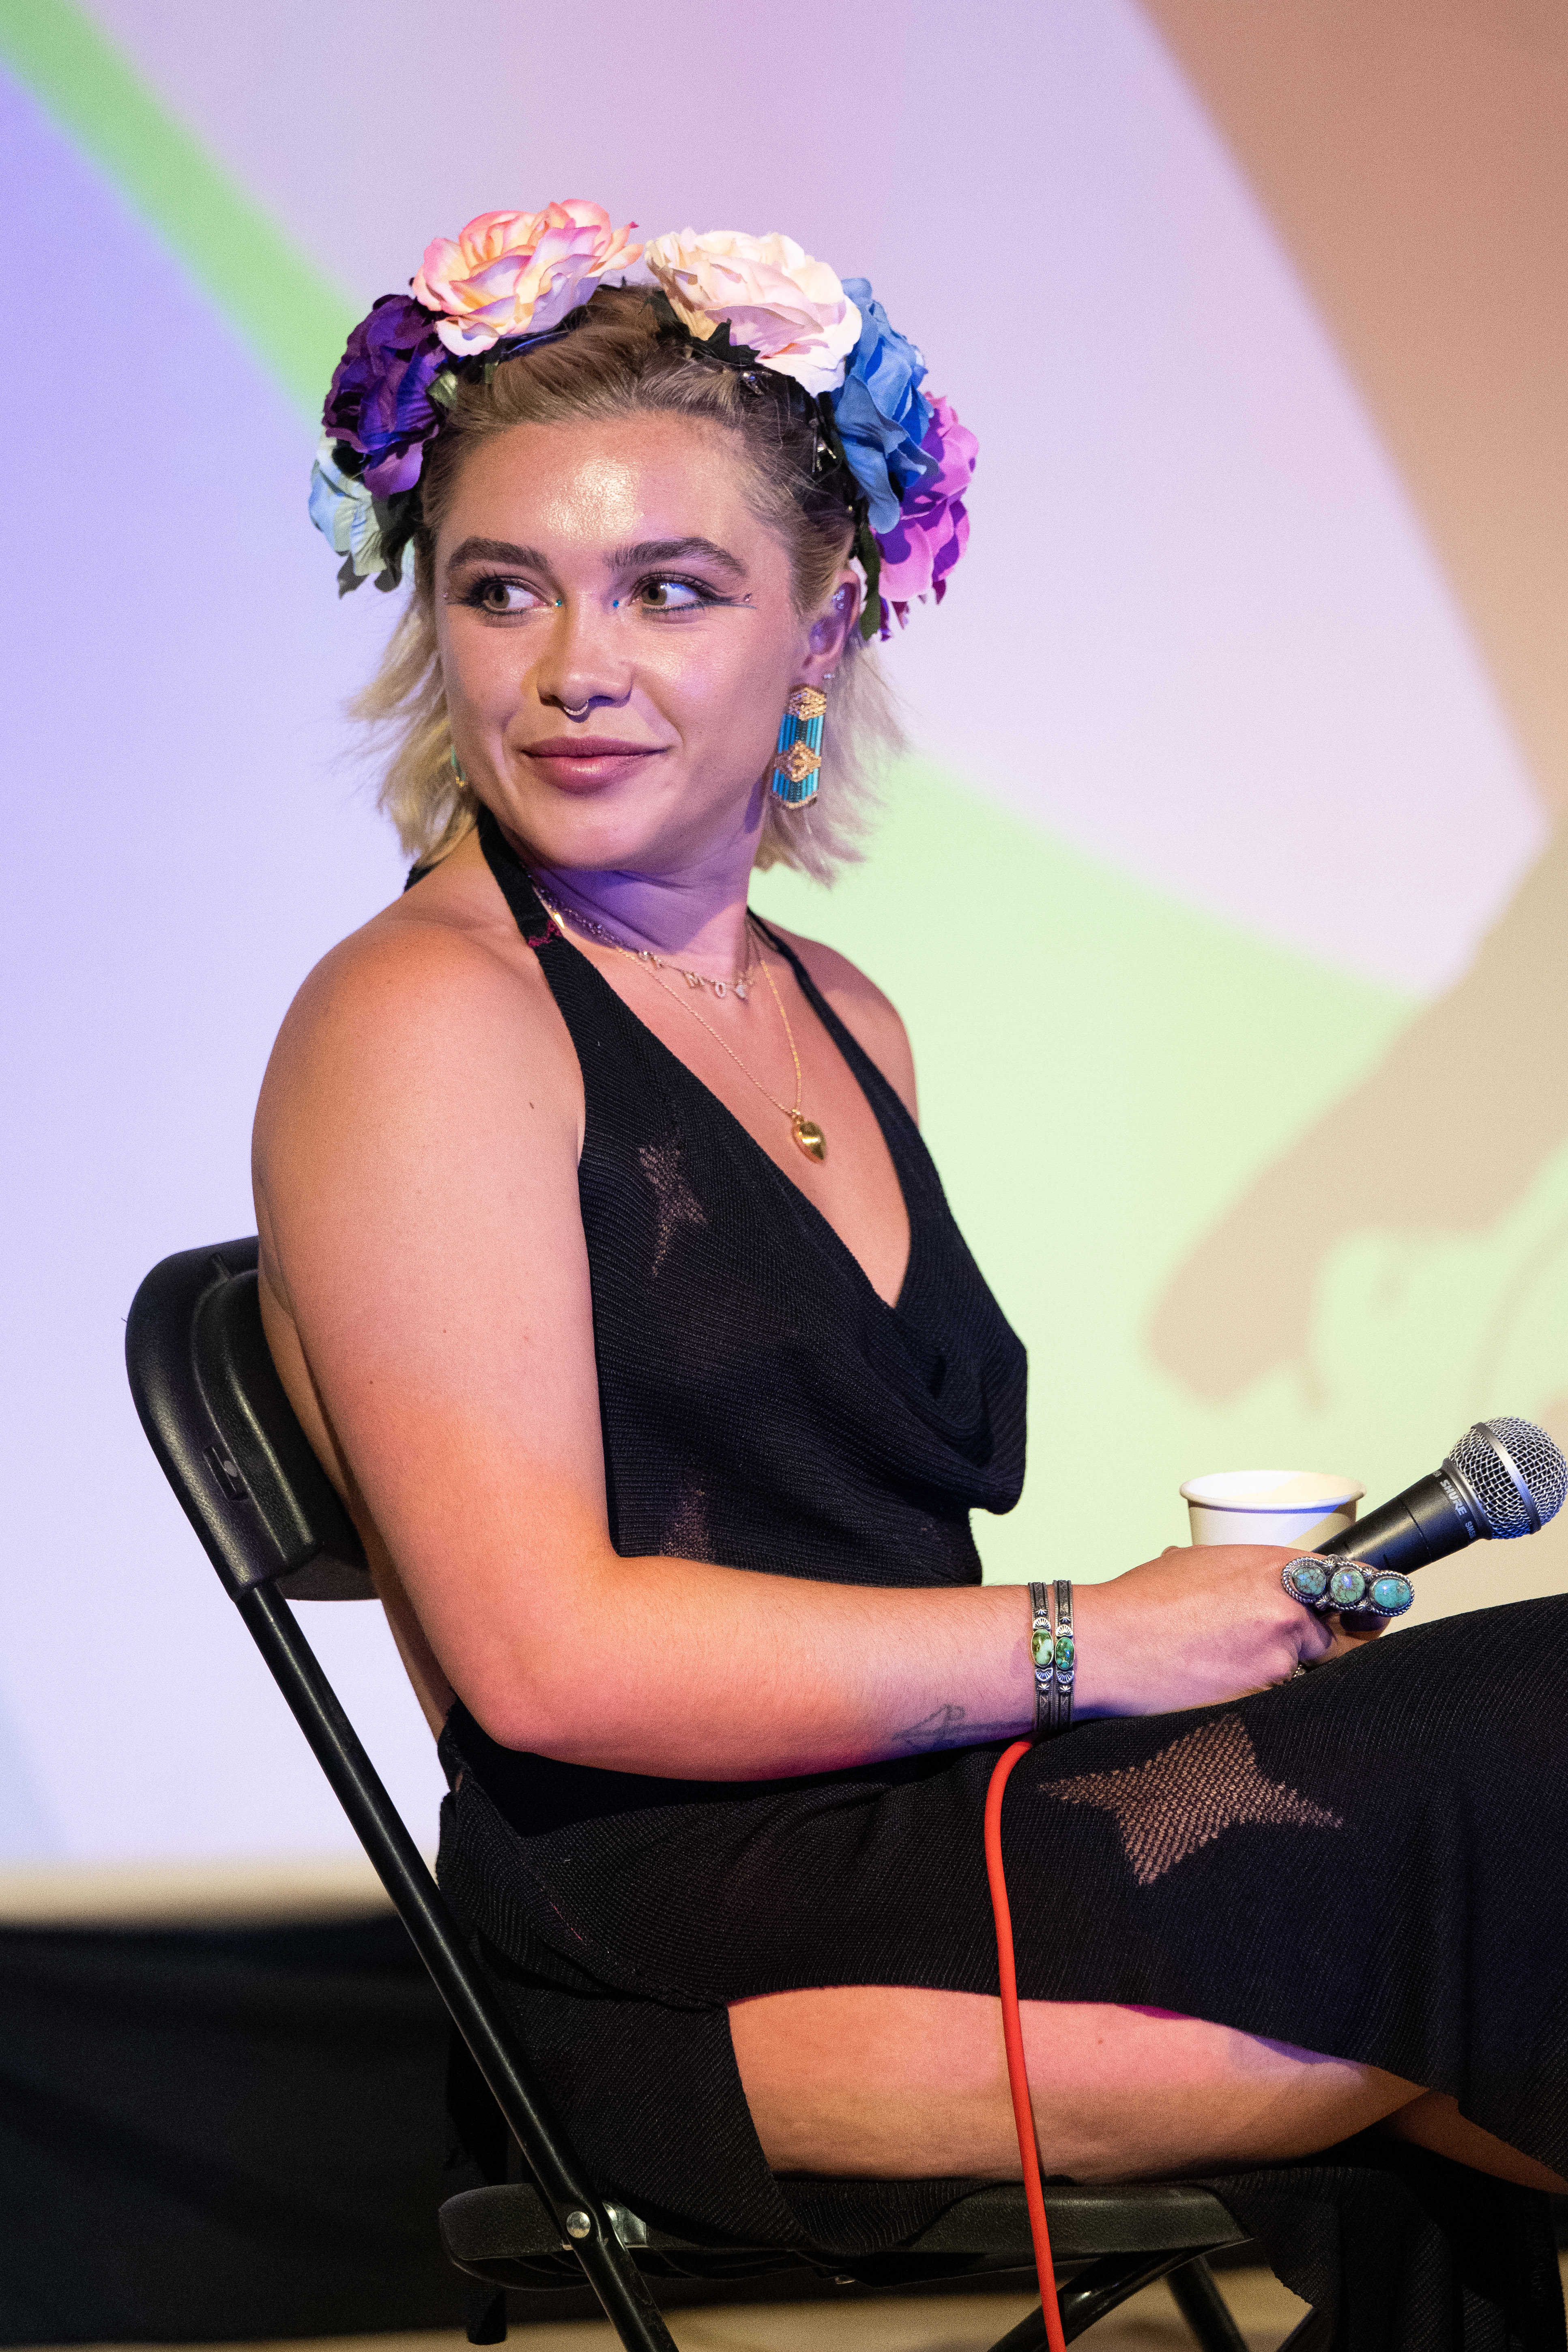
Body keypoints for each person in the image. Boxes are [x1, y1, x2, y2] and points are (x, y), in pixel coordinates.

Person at [255, 202, 1568, 2337]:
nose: (574, 664)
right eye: (503, 589)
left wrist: (1170, 1649)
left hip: (940, 1822)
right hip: (682, 1927)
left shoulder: (846, 1010)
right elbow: (544, 1665)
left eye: (670, 589)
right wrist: (1090, 1644)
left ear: (825, 624)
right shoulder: (423, 1022)